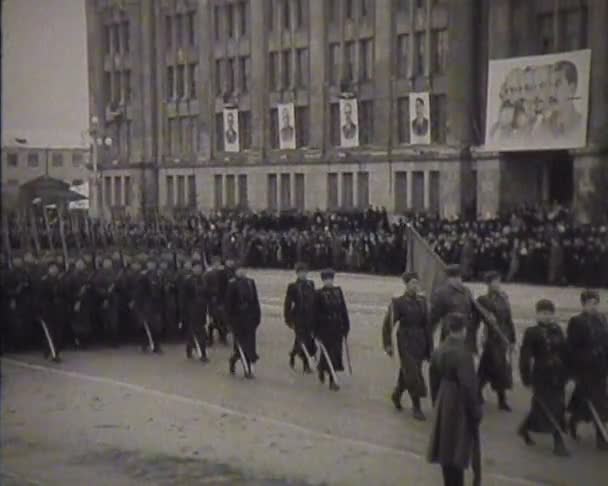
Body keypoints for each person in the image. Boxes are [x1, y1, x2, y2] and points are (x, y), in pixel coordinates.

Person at [427, 313, 482, 486]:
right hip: (459, 402)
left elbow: (433, 379)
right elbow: (469, 386)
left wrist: (437, 402)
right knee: (458, 447)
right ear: (464, 330)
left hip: (444, 398)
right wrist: (476, 412)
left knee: (445, 447)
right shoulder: (464, 354)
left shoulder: (439, 349)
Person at [518, 299, 570, 456]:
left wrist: (568, 373)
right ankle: (558, 442)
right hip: (541, 376)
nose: (547, 316)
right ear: (537, 314)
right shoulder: (531, 332)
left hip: (558, 375)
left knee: (555, 406)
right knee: (550, 408)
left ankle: (524, 428)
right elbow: (525, 357)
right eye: (543, 313)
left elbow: (565, 352)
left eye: (549, 313)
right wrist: (526, 378)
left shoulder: (558, 330)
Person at [382, 271, 432, 420]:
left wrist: (430, 347)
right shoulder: (398, 302)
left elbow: (427, 326)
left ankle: (397, 394)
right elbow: (387, 325)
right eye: (412, 283)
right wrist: (388, 345)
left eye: (417, 283)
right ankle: (416, 407)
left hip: (420, 341)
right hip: (405, 340)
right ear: (406, 284)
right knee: (414, 373)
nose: (415, 286)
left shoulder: (423, 302)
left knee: (408, 372)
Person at [566, 289, 608, 450]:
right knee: (597, 403)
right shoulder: (577, 321)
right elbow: (571, 348)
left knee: (588, 401)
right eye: (590, 304)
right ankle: (601, 438)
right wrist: (573, 372)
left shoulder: (602, 319)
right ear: (583, 304)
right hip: (585, 369)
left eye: (596, 303)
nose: (594, 307)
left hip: (600, 369)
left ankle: (573, 421)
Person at [475, 271, 516, 411]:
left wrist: (513, 339)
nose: (498, 284)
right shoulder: (483, 300)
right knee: (499, 369)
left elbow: (509, 320)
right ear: (488, 283)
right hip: (492, 339)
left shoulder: (504, 298)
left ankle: (478, 392)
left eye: (499, 281)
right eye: (495, 281)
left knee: (487, 369)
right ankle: (501, 400)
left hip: (504, 338)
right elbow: (477, 318)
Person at [313, 269, 350, 391]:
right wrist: (316, 331)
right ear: (323, 280)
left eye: (331, 279)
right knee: (329, 354)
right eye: (326, 279)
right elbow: (314, 313)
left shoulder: (338, 291)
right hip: (325, 328)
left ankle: (323, 369)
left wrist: (346, 325)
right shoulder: (318, 294)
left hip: (337, 327)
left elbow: (343, 309)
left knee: (336, 353)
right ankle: (332, 380)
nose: (329, 281)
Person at [430, 264, 479, 353]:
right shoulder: (441, 293)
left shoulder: (467, 291)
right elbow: (434, 316)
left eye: (459, 277)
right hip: (450, 332)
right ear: (449, 279)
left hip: (464, 332)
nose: (458, 280)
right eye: (455, 277)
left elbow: (473, 310)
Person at [225, 263, 261, 378]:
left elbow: (255, 301)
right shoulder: (232, 284)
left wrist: (257, 316)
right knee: (241, 345)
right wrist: (229, 322)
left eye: (244, 269)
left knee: (249, 345)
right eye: (239, 270)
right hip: (238, 319)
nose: (242, 272)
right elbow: (228, 305)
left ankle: (245, 364)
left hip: (250, 318)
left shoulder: (251, 282)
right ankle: (247, 369)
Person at [283, 262, 317, 373]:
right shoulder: (293, 286)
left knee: (305, 340)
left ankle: (293, 353)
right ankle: (306, 364)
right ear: (297, 274)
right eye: (301, 273)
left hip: (310, 317)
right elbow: (288, 304)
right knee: (303, 341)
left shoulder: (311, 284)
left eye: (305, 272)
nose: (303, 275)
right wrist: (288, 319)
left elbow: (315, 301)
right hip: (298, 317)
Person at [180, 262, 209, 362]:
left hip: (202, 309)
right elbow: (183, 297)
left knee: (201, 330)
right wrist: (184, 312)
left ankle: (192, 346)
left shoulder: (204, 279)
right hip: (191, 309)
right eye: (196, 268)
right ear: (192, 269)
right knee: (195, 331)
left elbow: (207, 294)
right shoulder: (188, 280)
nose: (198, 270)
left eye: (200, 268)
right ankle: (201, 353)